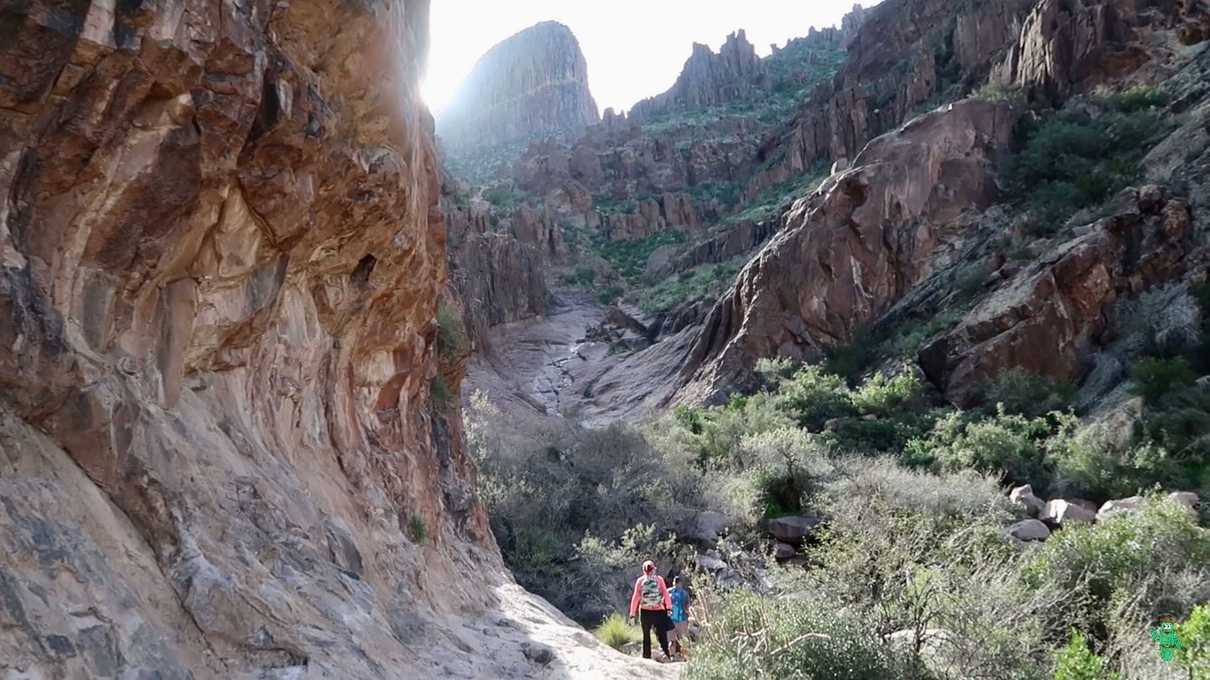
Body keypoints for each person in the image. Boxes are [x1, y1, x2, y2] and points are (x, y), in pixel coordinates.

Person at [628, 560, 673, 661]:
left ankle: (646, 657)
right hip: (659, 611)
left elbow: (636, 597)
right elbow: (665, 593)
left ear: (643, 570)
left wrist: (632, 614)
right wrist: (669, 608)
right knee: (662, 636)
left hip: (645, 611)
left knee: (646, 636)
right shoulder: (659, 579)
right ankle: (667, 656)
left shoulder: (640, 581)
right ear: (654, 569)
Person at [668, 576, 689, 658]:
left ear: (674, 582)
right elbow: (687, 608)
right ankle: (683, 657)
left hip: (671, 620)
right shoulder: (685, 593)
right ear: (680, 583)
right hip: (682, 620)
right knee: (683, 640)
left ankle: (672, 656)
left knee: (672, 640)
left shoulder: (668, 592)